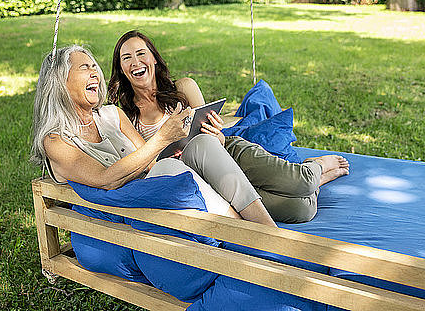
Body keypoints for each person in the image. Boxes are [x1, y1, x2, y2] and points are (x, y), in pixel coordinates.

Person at [108, 30, 349, 223]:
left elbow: (215, 137)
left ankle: (315, 167)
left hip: (228, 152)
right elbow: (146, 165)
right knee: (299, 210)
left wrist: (216, 134)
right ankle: (319, 182)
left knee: (301, 182)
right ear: (121, 69)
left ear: (153, 58)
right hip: (199, 178)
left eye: (141, 53)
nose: (136, 62)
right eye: (126, 58)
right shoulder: (127, 117)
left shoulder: (183, 88)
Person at [30, 45, 276, 227]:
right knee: (168, 167)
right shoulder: (56, 141)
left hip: (157, 183)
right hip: (134, 207)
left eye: (95, 66)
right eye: (85, 67)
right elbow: (106, 180)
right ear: (59, 81)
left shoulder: (111, 115)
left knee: (201, 144)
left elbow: (151, 161)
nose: (95, 73)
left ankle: (267, 229)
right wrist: (163, 138)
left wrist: (179, 143)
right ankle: (243, 231)